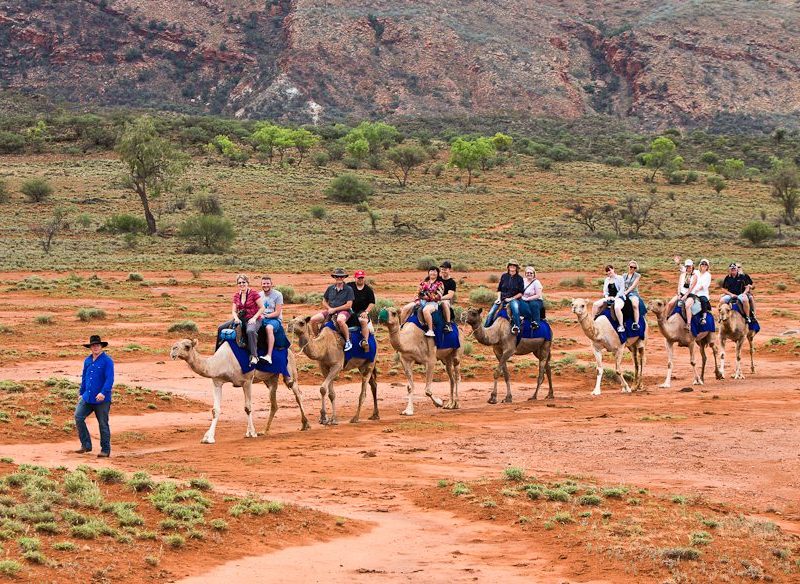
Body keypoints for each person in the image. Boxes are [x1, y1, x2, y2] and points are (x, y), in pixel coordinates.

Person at [75, 335, 114, 458]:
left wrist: (103, 392)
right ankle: (86, 445)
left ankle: (105, 450)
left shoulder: (107, 361)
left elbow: (110, 379)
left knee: (103, 423)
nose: (95, 347)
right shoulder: (87, 360)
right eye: (93, 345)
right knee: (78, 416)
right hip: (88, 396)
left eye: (97, 345)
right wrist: (81, 393)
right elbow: (84, 378)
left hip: (102, 399)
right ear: (90, 347)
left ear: (101, 346)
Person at [218, 274, 265, 366]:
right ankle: (218, 352)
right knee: (221, 327)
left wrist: (254, 318)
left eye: (243, 282)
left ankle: (254, 356)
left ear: (247, 283)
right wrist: (236, 318)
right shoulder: (236, 295)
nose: (241, 284)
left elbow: (262, 308)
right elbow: (234, 311)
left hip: (254, 318)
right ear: (237, 284)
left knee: (250, 330)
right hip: (240, 318)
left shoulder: (254, 293)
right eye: (239, 283)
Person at [310, 268, 355, 351]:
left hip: (344, 311)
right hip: (330, 310)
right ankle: (318, 338)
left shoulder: (348, 289)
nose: (339, 278)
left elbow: (349, 305)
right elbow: (324, 301)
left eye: (341, 277)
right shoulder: (330, 288)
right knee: (313, 320)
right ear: (334, 277)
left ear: (344, 277)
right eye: (337, 276)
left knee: (340, 320)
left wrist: (334, 309)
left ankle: (348, 341)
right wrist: (329, 308)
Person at [486, 260, 525, 334]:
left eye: (514, 266)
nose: (512, 267)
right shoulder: (504, 276)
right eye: (511, 265)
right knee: (491, 313)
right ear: (508, 267)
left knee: (515, 309)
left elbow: (521, 293)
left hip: (514, 299)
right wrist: (498, 298)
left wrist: (511, 298)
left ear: (516, 268)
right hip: (502, 298)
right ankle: (487, 329)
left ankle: (517, 326)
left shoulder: (519, 278)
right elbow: (499, 289)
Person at [593, 264, 626, 333]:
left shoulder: (620, 278)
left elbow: (622, 290)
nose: (608, 272)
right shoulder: (607, 280)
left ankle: (621, 325)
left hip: (619, 297)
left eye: (609, 270)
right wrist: (607, 297)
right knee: (595, 304)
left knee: (617, 308)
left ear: (613, 269)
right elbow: (605, 291)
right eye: (607, 271)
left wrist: (615, 298)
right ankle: (593, 322)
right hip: (609, 298)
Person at [258, 275, 284, 364]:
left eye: (268, 283)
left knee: (269, 328)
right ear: (261, 284)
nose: (266, 285)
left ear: (271, 284)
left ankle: (269, 355)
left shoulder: (278, 295)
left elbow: (277, 312)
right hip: (262, 318)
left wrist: (266, 316)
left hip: (275, 319)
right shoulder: (259, 295)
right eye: (264, 283)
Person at [348, 269, 376, 351]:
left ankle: (365, 342)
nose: (360, 279)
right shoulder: (349, 286)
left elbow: (372, 303)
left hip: (361, 312)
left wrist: (366, 312)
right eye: (358, 278)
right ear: (355, 278)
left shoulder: (368, 290)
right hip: (349, 310)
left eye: (362, 278)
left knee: (364, 322)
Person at [414, 266, 445, 337]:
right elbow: (416, 293)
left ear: (437, 273)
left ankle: (430, 330)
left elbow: (438, 297)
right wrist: (417, 301)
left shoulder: (440, 284)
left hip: (433, 303)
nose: (433, 273)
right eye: (431, 271)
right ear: (428, 273)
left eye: (435, 271)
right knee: (407, 307)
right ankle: (402, 325)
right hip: (422, 302)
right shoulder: (423, 283)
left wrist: (427, 297)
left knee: (425, 310)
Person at [682, 258, 712, 330]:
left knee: (703, 300)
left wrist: (697, 289)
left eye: (705, 264)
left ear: (707, 266)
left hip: (702, 292)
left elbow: (705, 285)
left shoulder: (708, 275)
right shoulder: (696, 272)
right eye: (702, 264)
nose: (704, 266)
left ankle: (703, 317)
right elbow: (687, 270)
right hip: (692, 291)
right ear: (700, 265)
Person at [520, 265, 543, 330]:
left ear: (534, 274)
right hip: (524, 299)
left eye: (531, 273)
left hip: (536, 300)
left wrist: (528, 299)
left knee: (533, 304)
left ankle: (536, 323)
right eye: (527, 273)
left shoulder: (536, 282)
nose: (529, 274)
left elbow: (538, 295)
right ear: (525, 274)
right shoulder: (523, 280)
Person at [623, 260, 642, 330]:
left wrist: (626, 292)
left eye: (634, 268)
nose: (632, 269)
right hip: (624, 292)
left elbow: (633, 286)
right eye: (631, 267)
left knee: (634, 305)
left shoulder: (637, 275)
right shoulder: (624, 275)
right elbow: (621, 284)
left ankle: (636, 323)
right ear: (628, 266)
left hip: (633, 293)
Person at [439, 261, 457, 333]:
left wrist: (439, 298)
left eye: (445, 269)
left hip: (445, 299)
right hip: (434, 298)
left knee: (444, 303)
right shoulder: (438, 278)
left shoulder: (452, 282)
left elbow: (450, 295)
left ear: (449, 270)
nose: (443, 271)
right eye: (442, 269)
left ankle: (448, 324)